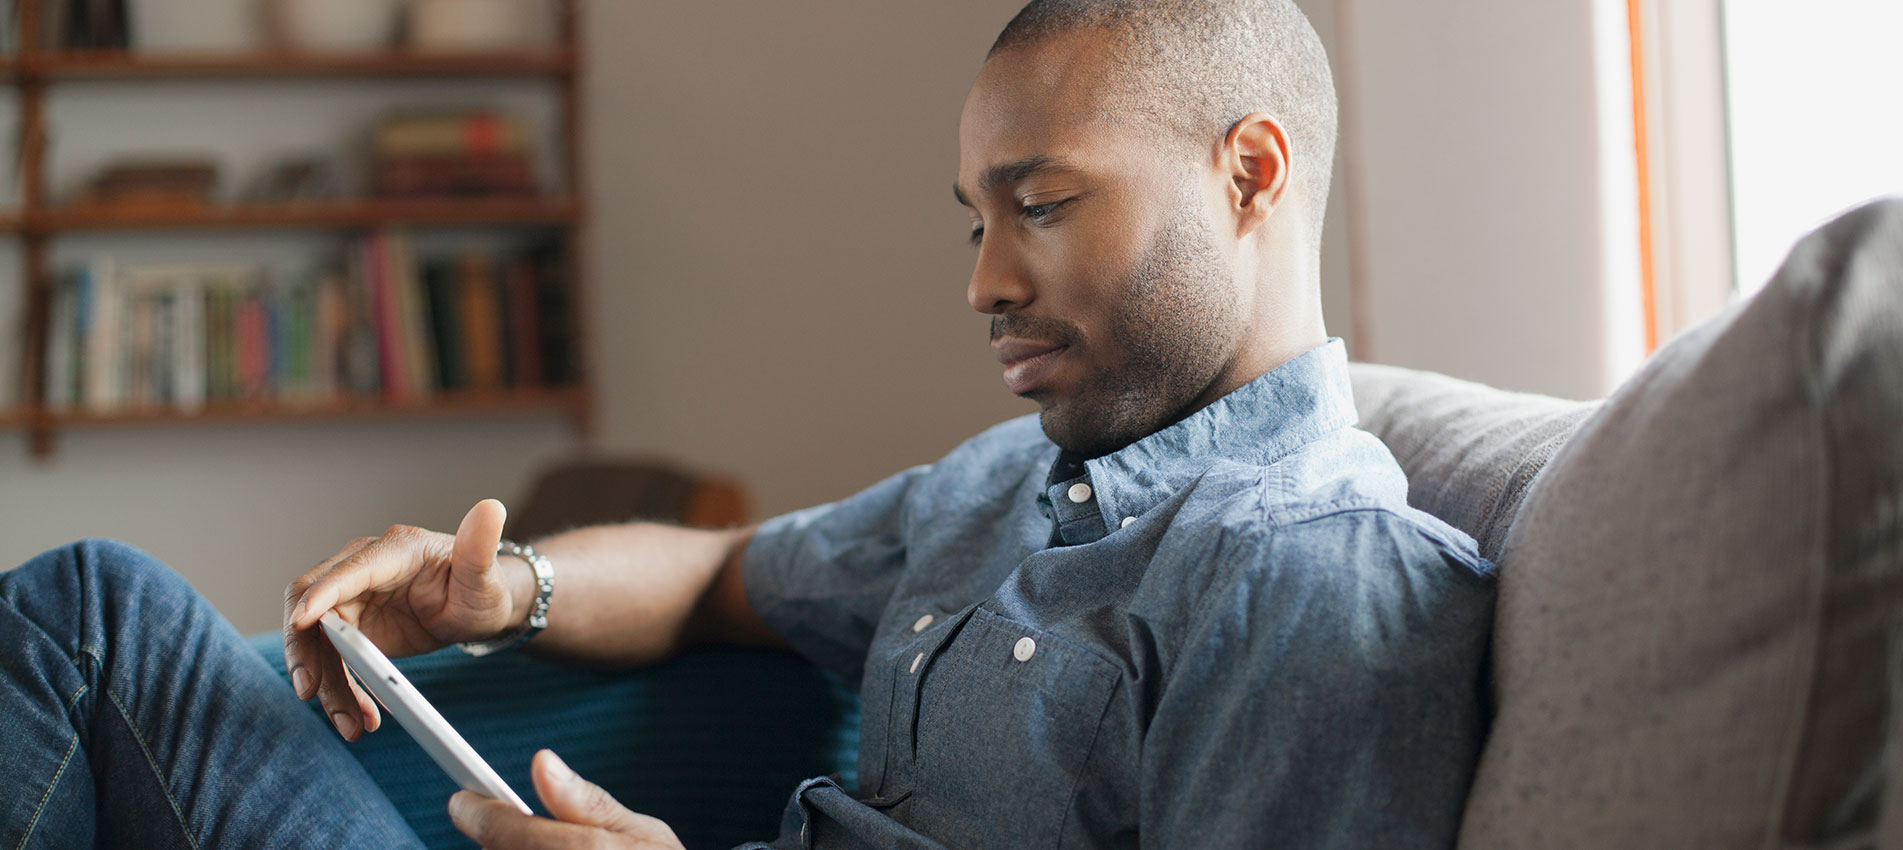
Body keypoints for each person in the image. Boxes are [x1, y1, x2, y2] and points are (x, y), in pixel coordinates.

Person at [0, 1, 1498, 848]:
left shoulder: (1325, 579)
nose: (984, 279)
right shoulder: (1013, 477)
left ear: (1250, 173)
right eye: (973, 220)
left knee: (88, 617)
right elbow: (732, 573)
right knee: (100, 617)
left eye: (1039, 205)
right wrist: (509, 589)